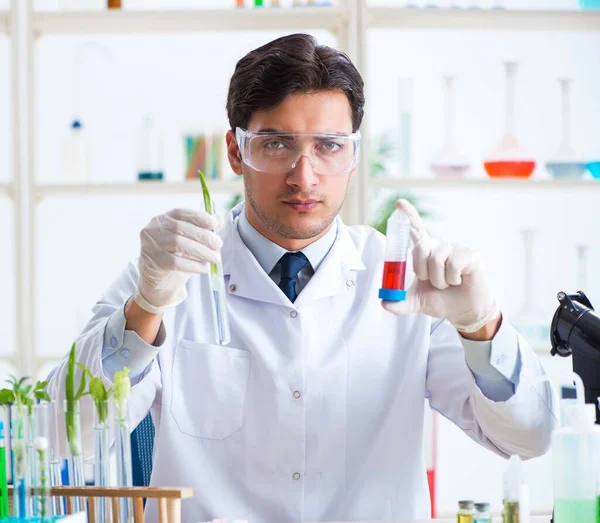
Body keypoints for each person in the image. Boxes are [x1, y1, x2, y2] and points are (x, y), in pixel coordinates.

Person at [47, 33, 555, 523]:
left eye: (329, 146)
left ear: (353, 155)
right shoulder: (164, 273)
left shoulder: (409, 282)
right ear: (235, 150)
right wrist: (144, 312)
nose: (304, 175)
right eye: (276, 144)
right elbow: (61, 433)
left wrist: (481, 327)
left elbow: (529, 439)